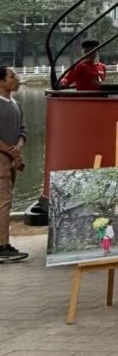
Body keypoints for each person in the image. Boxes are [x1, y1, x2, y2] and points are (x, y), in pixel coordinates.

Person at [0, 66, 28, 262]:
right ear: (1, 82)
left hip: (13, 159)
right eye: (12, 76)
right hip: (1, 158)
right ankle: (3, 246)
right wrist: (9, 149)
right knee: (4, 202)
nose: (16, 79)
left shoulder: (16, 104)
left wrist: (18, 147)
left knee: (5, 201)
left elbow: (23, 130)